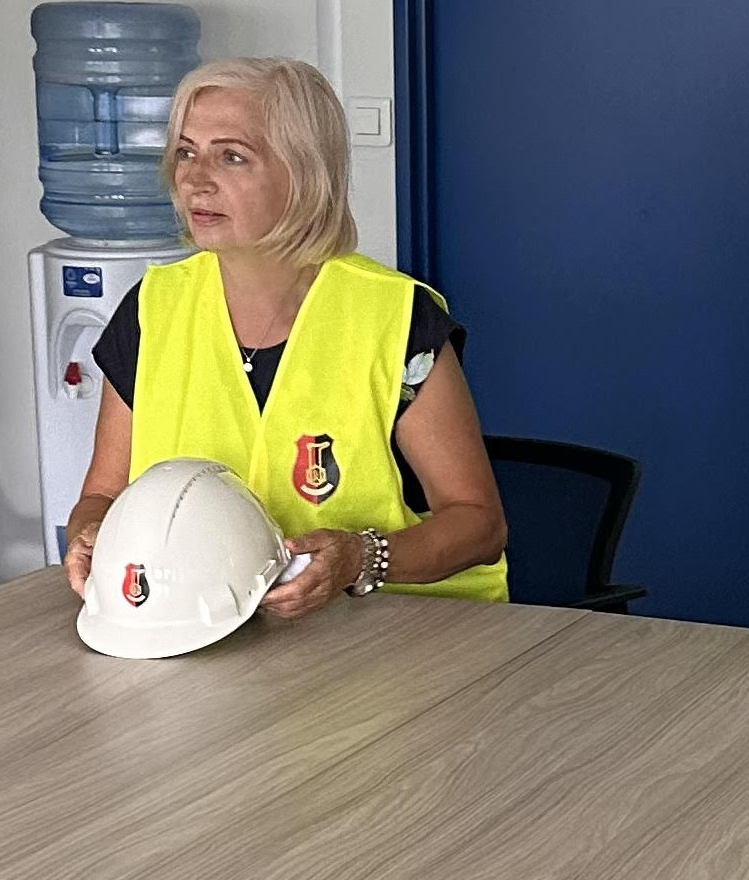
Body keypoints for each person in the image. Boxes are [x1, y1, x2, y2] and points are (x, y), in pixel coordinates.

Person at [66, 56, 506, 613]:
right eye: (186, 152)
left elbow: (479, 524)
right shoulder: (151, 309)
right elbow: (101, 495)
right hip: (206, 624)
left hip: (398, 624)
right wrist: (90, 538)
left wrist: (361, 557)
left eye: (232, 156)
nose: (196, 179)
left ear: (304, 174)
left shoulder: (394, 316)